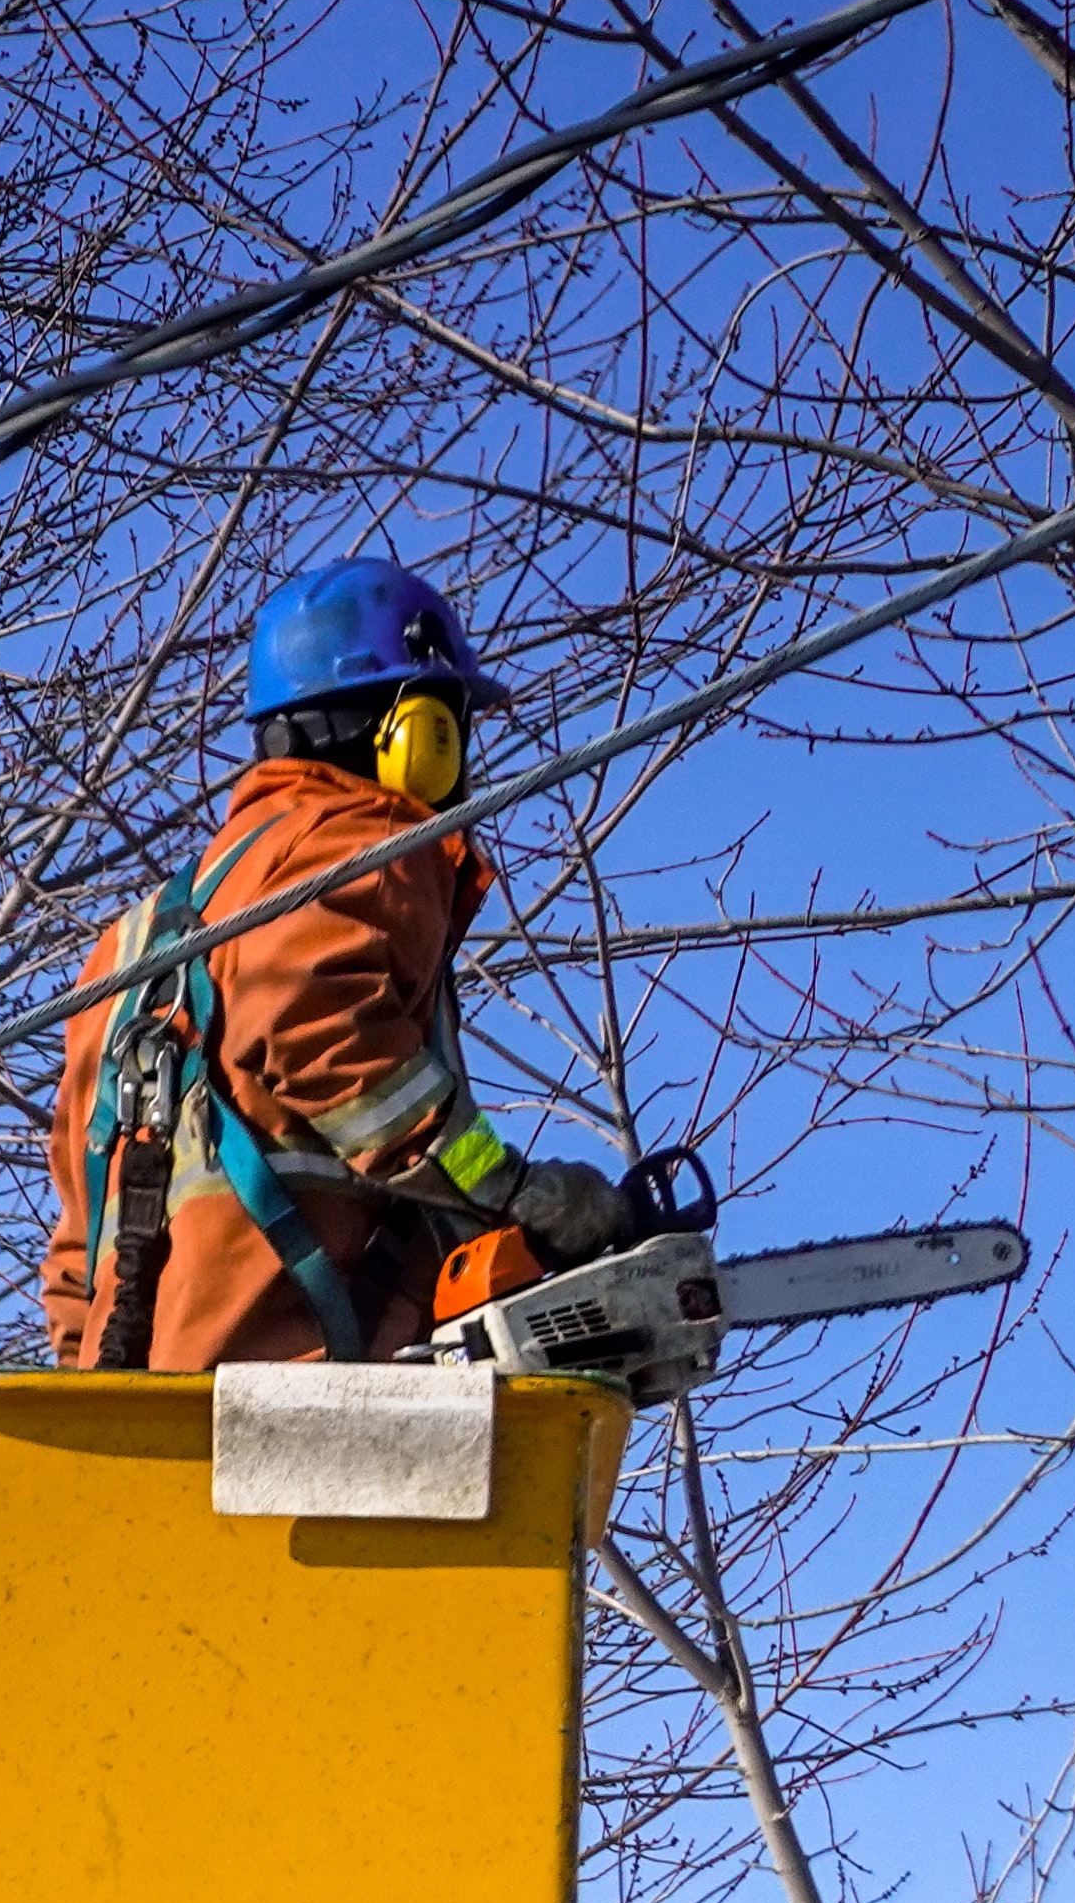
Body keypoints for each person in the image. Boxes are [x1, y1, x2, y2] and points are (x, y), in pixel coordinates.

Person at [44, 558, 642, 1368]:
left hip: (140, 1412)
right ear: (416, 732)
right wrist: (511, 1190)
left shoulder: (127, 946)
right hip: (307, 1384)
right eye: (454, 725)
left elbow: (77, 1243)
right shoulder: (360, 845)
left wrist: (81, 1395)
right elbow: (323, 1036)